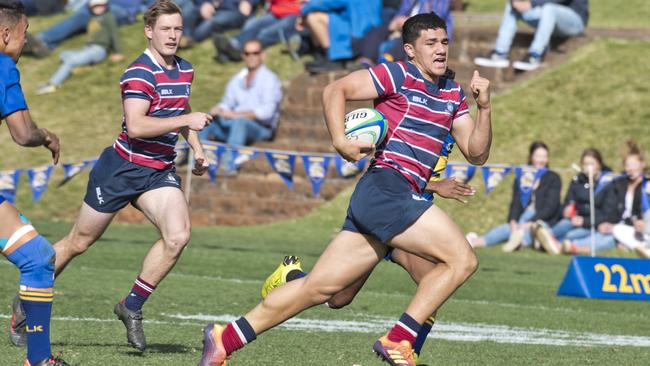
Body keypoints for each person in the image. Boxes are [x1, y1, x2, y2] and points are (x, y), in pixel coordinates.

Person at [198, 12, 492, 366]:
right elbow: (335, 90)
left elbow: (476, 153)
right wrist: (339, 141)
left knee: (322, 291)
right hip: (388, 187)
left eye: (444, 41)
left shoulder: (452, 94)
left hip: (392, 197)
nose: (440, 49)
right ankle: (399, 340)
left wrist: (484, 106)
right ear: (410, 50)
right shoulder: (397, 73)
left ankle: (223, 339)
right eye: (430, 43)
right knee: (461, 259)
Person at [10, 0, 212, 352]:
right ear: (149, 31)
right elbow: (136, 126)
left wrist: (197, 147)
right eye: (165, 29)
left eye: (177, 28)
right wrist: (185, 123)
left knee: (178, 236)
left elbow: (183, 109)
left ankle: (130, 305)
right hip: (121, 169)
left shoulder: (184, 70)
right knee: (78, 242)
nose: (173, 35)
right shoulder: (138, 73)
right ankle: (24, 304)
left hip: (158, 171)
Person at [260, 135, 476, 364]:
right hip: (383, 211)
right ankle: (291, 275)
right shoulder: (410, 108)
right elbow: (384, 166)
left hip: (412, 220)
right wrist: (434, 185)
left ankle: (405, 353)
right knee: (338, 297)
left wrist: (485, 108)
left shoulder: (451, 112)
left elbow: (478, 152)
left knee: (430, 287)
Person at [0, 1, 69, 365]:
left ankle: (38, 359)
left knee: (40, 258)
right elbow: (22, 133)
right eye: (24, 34)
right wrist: (46, 136)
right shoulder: (2, 66)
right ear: (5, 34)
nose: (26, 42)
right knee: (38, 259)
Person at [200, 39, 282, 171]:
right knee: (205, 121)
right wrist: (219, 109)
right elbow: (228, 102)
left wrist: (236, 115)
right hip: (234, 123)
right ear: (243, 56)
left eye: (255, 53)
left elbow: (267, 112)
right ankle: (197, 161)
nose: (251, 57)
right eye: (247, 53)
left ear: (263, 55)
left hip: (261, 127)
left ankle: (227, 167)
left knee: (240, 122)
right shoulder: (237, 78)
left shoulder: (270, 79)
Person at [466, 141, 562, 252]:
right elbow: (516, 202)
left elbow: (550, 206)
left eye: (544, 156)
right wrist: (513, 220)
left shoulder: (553, 178)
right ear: (531, 157)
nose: (541, 160)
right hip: (522, 219)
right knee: (506, 228)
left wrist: (531, 222)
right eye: (538, 156)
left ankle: (520, 242)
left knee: (534, 228)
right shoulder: (522, 176)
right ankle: (477, 242)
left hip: (542, 220)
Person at [534, 148, 617, 254]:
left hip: (594, 224)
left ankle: (554, 243)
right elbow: (567, 202)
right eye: (585, 164)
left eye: (592, 164)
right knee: (564, 224)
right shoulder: (577, 181)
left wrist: (584, 221)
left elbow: (608, 214)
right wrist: (566, 210)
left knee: (572, 236)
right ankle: (546, 236)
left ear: (599, 164)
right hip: (574, 221)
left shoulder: (607, 183)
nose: (588, 168)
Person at [36, 0, 124, 95]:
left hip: (98, 50)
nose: (98, 8)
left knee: (70, 61)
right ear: (90, 7)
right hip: (88, 48)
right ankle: (81, 67)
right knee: (64, 55)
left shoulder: (108, 17)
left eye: (101, 5)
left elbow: (114, 35)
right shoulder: (92, 17)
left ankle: (53, 84)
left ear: (106, 5)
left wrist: (118, 52)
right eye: (95, 6)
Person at [473, 0, 588, 71]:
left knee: (549, 9)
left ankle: (535, 55)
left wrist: (532, 3)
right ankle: (499, 53)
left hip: (574, 22)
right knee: (513, 4)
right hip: (548, 18)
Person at [27, 0, 149, 57]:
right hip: (105, 4)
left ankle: (41, 40)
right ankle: (44, 45)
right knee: (80, 19)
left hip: (122, 10)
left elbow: (153, 5)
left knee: (83, 15)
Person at [358, 0, 454, 66]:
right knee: (377, 31)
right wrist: (396, 21)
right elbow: (402, 11)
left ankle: (387, 58)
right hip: (403, 25)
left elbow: (435, 17)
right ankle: (366, 60)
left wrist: (408, 21)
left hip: (425, 28)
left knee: (409, 38)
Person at [298, 0, 382, 73]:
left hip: (356, 33)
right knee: (311, 15)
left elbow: (329, 2)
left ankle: (330, 58)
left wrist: (304, 8)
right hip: (371, 31)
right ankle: (322, 56)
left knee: (313, 17)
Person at [212, 0, 302, 63]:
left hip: (293, 15)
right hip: (275, 13)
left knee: (265, 33)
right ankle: (234, 44)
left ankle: (240, 52)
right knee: (253, 24)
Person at [180, 0, 257, 48]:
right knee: (188, 11)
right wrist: (204, 4)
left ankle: (190, 40)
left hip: (233, 10)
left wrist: (248, 2)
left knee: (211, 23)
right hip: (212, 6)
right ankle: (185, 37)